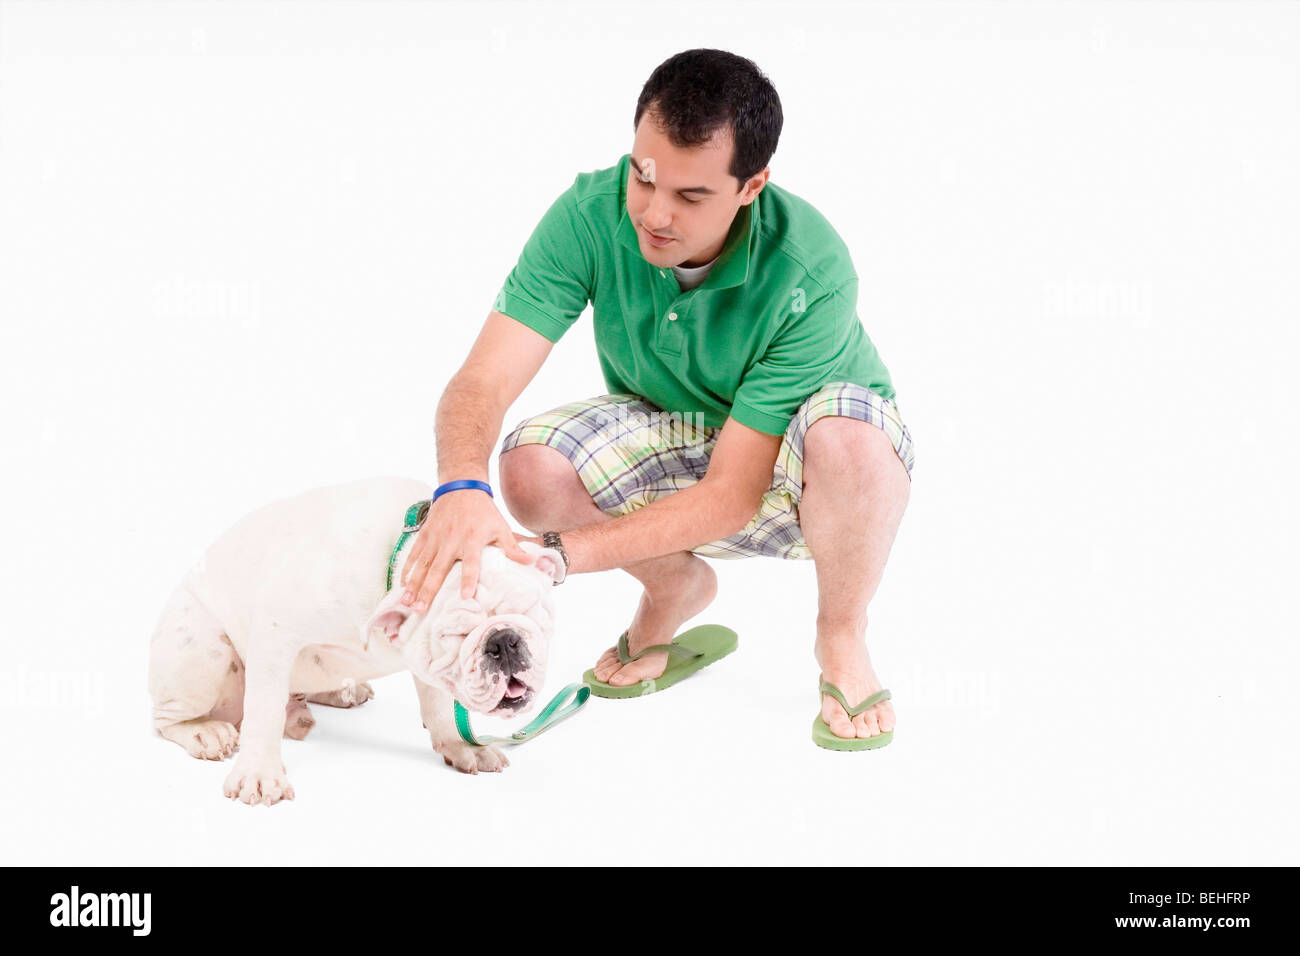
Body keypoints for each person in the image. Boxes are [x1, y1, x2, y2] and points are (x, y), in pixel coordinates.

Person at [399, 48, 915, 748]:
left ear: (751, 185)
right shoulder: (589, 212)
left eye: (691, 196)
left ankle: (841, 634)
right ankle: (674, 587)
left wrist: (552, 556)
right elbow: (483, 378)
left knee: (849, 437)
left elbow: (735, 495)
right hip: (679, 429)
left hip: (811, 473)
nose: (654, 213)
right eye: (645, 177)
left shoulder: (812, 267)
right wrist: (462, 486)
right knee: (530, 466)